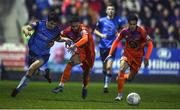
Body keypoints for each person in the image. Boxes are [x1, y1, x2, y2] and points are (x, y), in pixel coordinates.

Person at [11, 12, 62, 97]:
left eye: (54, 24)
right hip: (32, 52)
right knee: (33, 71)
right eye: (51, 23)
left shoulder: (56, 30)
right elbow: (27, 28)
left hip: (43, 55)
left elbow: (58, 39)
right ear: (47, 20)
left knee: (31, 69)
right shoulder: (39, 24)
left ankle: (18, 89)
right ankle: (45, 74)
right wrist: (26, 31)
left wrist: (66, 40)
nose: (52, 25)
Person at [105, 14, 153, 101]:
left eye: (134, 24)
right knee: (122, 68)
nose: (132, 26)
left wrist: (146, 58)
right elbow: (116, 41)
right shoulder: (124, 31)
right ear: (128, 24)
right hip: (127, 54)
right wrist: (110, 53)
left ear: (136, 24)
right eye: (131, 24)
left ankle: (122, 77)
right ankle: (119, 95)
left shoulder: (142, 32)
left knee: (130, 78)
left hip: (138, 57)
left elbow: (150, 44)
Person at [52, 17, 95, 99]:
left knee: (86, 73)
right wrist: (65, 39)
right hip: (80, 51)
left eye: (76, 26)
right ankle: (61, 86)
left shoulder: (83, 29)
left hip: (90, 54)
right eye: (73, 26)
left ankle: (85, 87)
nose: (75, 28)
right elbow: (58, 36)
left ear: (79, 23)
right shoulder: (68, 30)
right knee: (70, 62)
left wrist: (74, 45)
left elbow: (85, 39)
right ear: (70, 25)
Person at [94, 3, 127, 93]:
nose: (110, 11)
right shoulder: (101, 21)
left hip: (112, 47)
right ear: (106, 11)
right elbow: (95, 31)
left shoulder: (119, 20)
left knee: (109, 67)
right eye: (109, 9)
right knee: (105, 67)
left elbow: (124, 31)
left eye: (112, 9)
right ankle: (106, 79)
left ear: (114, 11)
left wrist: (119, 34)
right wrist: (101, 35)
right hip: (102, 47)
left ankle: (106, 85)